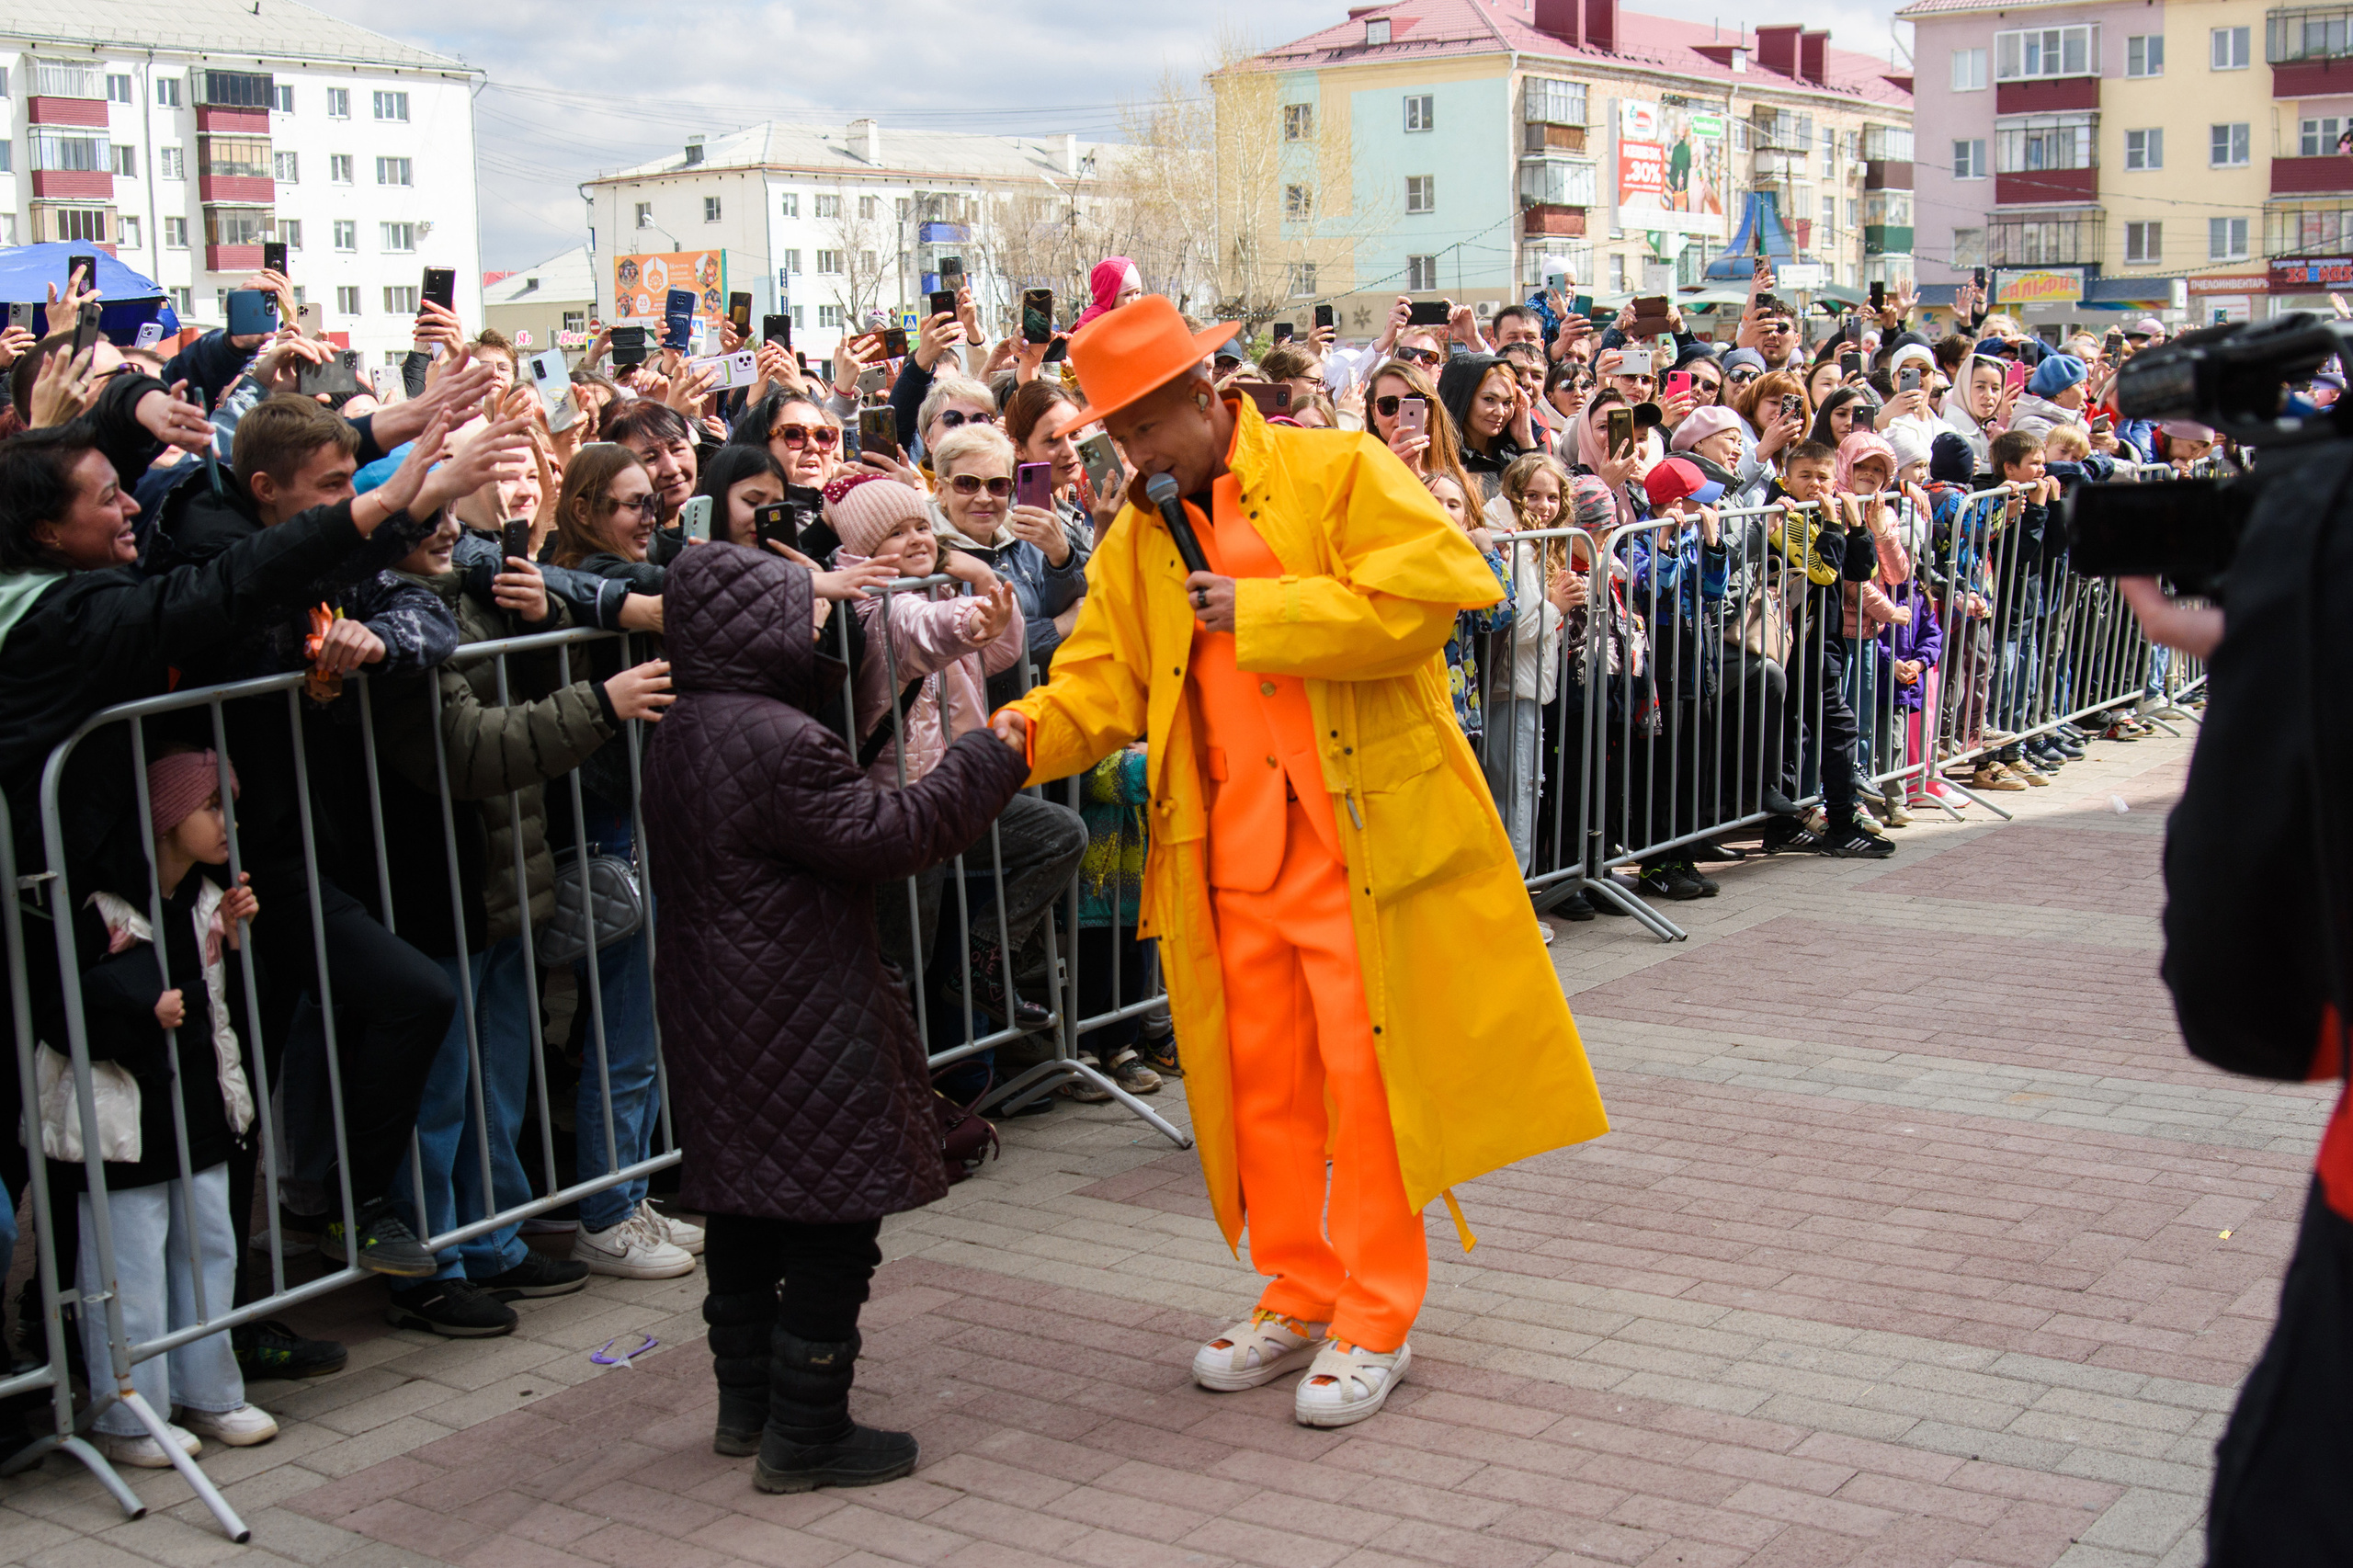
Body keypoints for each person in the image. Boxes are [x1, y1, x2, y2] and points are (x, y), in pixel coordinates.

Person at [990, 297, 1608, 1428]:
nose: (1128, 455)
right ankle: (1298, 1283)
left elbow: (1440, 596)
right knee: (1257, 1085)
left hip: (1355, 841)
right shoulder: (1138, 533)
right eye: (1114, 437)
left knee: (1369, 1086)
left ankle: (1376, 1308)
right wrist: (1016, 738)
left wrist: (1268, 608)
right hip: (1225, 851)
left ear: (1200, 391)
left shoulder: (1337, 468)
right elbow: (1102, 679)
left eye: (1138, 428)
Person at [643, 543, 1029, 1494]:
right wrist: (985, 757)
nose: (819, 631)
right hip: (797, 998)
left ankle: (748, 1404)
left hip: (712, 1000)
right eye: (801, 613)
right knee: (832, 1211)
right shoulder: (779, 739)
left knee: (740, 1196)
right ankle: (808, 1428)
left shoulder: (683, 725)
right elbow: (890, 835)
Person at [51, 749, 279, 1467]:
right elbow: (64, 1017)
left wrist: (241, 946)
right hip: (128, 1124)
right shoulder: (102, 910)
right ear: (162, 816)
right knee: (131, 1270)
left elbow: (246, 1011)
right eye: (212, 806)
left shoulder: (212, 902)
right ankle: (128, 1410)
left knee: (210, 1245)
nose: (228, 823)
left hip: (202, 1110)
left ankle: (209, 1390)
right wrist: (142, 1011)